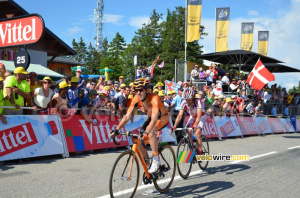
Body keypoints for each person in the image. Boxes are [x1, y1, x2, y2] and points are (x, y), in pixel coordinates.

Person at [110, 78, 169, 173]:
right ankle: (149, 166)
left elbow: (154, 120)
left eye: (141, 90)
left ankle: (156, 159)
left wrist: (146, 132)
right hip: (150, 117)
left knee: (151, 132)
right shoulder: (136, 98)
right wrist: (117, 129)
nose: (138, 93)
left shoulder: (154, 98)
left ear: (147, 89)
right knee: (140, 141)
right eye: (136, 90)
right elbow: (127, 117)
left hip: (162, 117)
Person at [172, 89, 205, 155]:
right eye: (185, 99)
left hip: (201, 117)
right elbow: (179, 115)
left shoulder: (198, 101)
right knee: (187, 131)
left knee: (197, 132)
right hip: (192, 116)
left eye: (189, 99)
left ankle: (200, 150)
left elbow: (199, 116)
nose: (187, 101)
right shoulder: (184, 102)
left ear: (192, 98)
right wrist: (175, 126)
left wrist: (195, 125)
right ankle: (192, 146)